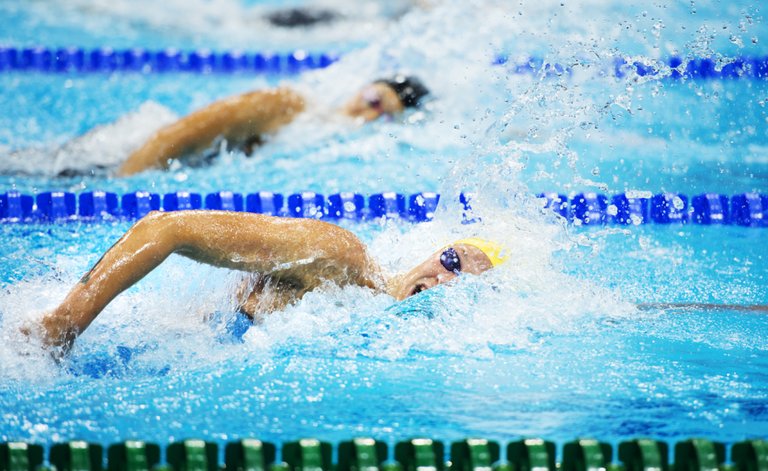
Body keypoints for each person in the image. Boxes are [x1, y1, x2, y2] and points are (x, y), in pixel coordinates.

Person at [29, 210, 504, 355]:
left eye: (463, 281)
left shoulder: (401, 347)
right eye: (450, 259)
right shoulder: (337, 257)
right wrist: (65, 324)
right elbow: (165, 228)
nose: (443, 279)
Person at [116, 74, 430, 176]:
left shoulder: (323, 140)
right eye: (375, 99)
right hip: (121, 157)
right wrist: (122, 178)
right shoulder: (289, 104)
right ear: (363, 86)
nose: (370, 113)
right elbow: (178, 134)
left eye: (385, 116)